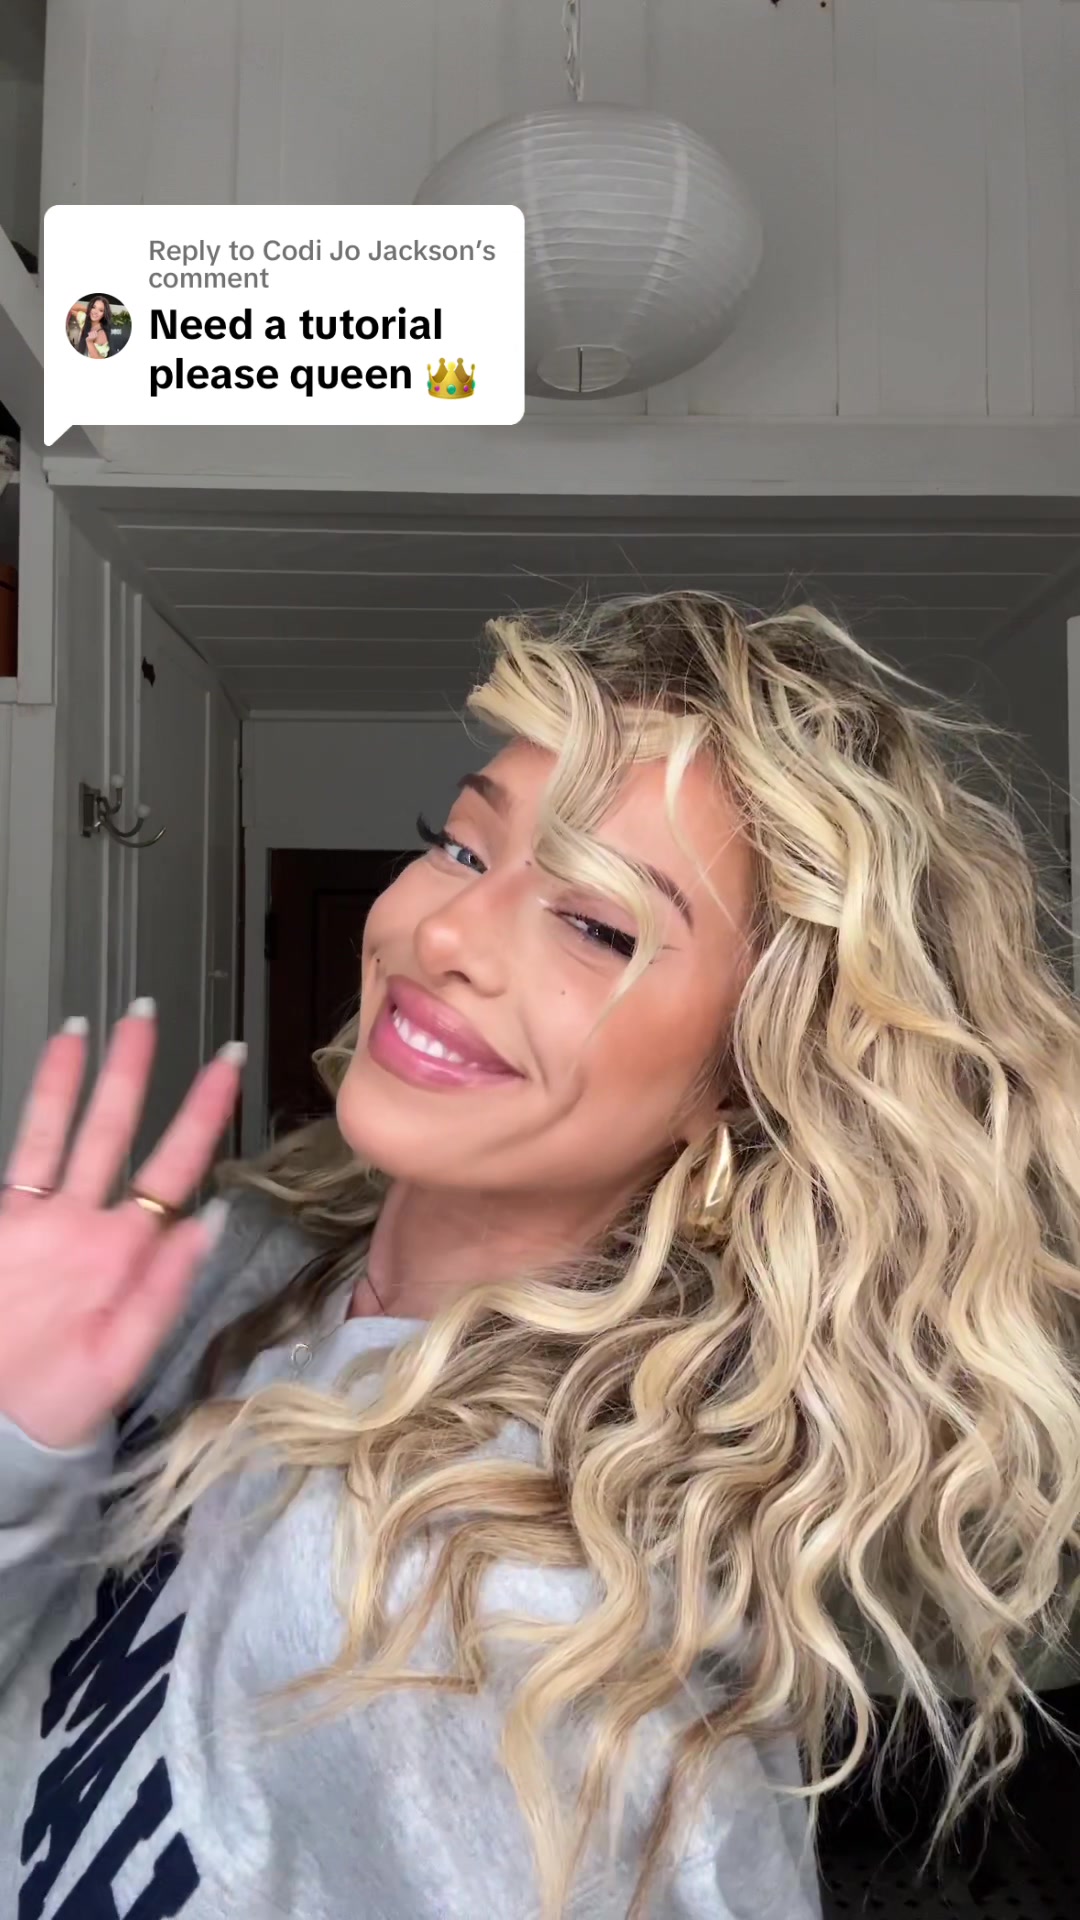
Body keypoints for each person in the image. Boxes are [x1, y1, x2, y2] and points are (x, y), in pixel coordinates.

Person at [2, 592, 1079, 1920]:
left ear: (744, 1085)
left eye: (600, 926)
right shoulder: (244, 1263)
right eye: (463, 846)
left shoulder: (534, 1633)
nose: (442, 933)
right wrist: (21, 1444)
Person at [73, 294, 113, 358]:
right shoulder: (84, 320)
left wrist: (90, 342)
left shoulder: (101, 333)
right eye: (93, 307)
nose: (96, 312)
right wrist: (89, 310)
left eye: (101, 310)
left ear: (104, 314)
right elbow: (71, 308)